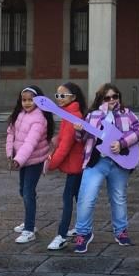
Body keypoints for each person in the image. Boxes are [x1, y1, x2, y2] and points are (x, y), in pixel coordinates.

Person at [72, 83, 139, 253]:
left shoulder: (127, 113)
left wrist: (122, 143)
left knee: (118, 198)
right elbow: (82, 138)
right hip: (96, 161)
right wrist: (78, 131)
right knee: (86, 198)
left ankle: (121, 231)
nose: (112, 100)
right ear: (101, 99)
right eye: (108, 97)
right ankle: (83, 233)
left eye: (115, 96)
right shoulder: (92, 115)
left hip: (119, 162)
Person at [6, 86, 53, 244]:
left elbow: (30, 143)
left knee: (27, 192)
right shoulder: (19, 114)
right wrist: (10, 154)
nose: (26, 103)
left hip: (34, 161)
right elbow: (10, 133)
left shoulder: (39, 119)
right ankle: (28, 220)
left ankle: (29, 228)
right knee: (23, 191)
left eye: (30, 100)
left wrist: (18, 159)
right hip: (22, 160)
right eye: (24, 100)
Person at [44, 82, 86, 250]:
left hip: (76, 166)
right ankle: (80, 227)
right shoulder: (68, 114)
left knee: (68, 198)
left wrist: (50, 164)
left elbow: (65, 146)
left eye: (63, 95)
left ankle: (61, 235)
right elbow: (62, 140)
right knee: (77, 197)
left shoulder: (72, 116)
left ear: (73, 97)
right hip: (76, 165)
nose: (59, 99)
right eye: (57, 95)